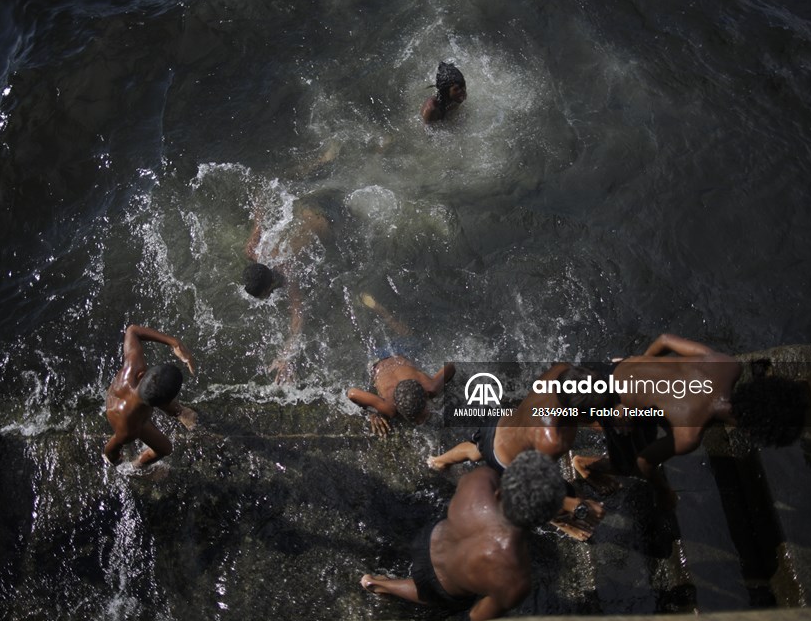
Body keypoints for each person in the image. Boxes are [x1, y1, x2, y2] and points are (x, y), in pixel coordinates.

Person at [571, 333, 805, 509]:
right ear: (749, 432)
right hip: (613, 405)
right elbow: (644, 463)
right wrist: (663, 492)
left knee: (641, 418)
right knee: (628, 463)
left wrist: (642, 361)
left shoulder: (726, 365)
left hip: (613, 370)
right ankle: (585, 464)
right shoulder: (688, 434)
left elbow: (664, 340)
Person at [360, 451, 564, 621]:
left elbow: (462, 482)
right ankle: (380, 585)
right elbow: (477, 616)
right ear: (542, 518)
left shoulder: (482, 480)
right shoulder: (515, 579)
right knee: (429, 594)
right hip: (441, 584)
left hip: (430, 538)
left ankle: (384, 575)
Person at [428, 363, 610, 540]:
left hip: (499, 426)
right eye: (597, 413)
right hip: (508, 463)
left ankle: (439, 461)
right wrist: (578, 506)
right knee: (562, 496)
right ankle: (559, 520)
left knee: (475, 450)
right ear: (577, 413)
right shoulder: (554, 440)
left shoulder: (561, 370)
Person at [243, 198, 333, 383]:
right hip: (304, 209)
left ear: (270, 285)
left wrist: (286, 356)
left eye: (264, 294)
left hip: (326, 222)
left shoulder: (287, 270)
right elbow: (258, 218)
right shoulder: (252, 250)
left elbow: (298, 314)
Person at [346, 293, 455, 435]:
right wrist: (373, 412)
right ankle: (381, 311)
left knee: (410, 336)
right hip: (381, 359)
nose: (421, 421)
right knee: (407, 335)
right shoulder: (389, 408)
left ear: (424, 394)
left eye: (421, 414)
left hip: (386, 358)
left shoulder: (431, 387)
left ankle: (381, 311)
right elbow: (351, 393)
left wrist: (373, 410)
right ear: (397, 407)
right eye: (416, 418)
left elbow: (451, 367)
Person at [103, 324, 198, 469]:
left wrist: (175, 343)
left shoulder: (134, 366)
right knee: (165, 449)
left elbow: (132, 330)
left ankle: (178, 412)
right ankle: (138, 465)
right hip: (123, 415)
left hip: (124, 393)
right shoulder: (129, 428)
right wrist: (113, 459)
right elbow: (112, 447)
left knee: (157, 388)